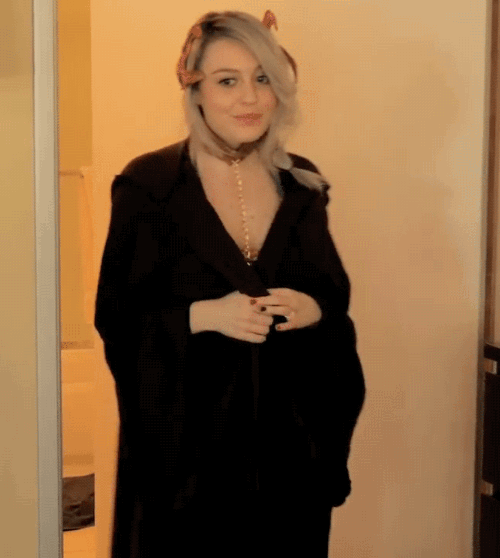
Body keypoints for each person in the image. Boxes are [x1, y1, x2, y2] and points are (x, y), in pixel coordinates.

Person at [95, 9, 365, 558]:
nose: (249, 98)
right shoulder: (150, 186)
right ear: (193, 88)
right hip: (188, 467)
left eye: (262, 78)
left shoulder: (302, 184)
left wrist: (315, 311)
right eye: (227, 81)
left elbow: (333, 302)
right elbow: (118, 319)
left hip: (289, 462)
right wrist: (202, 316)